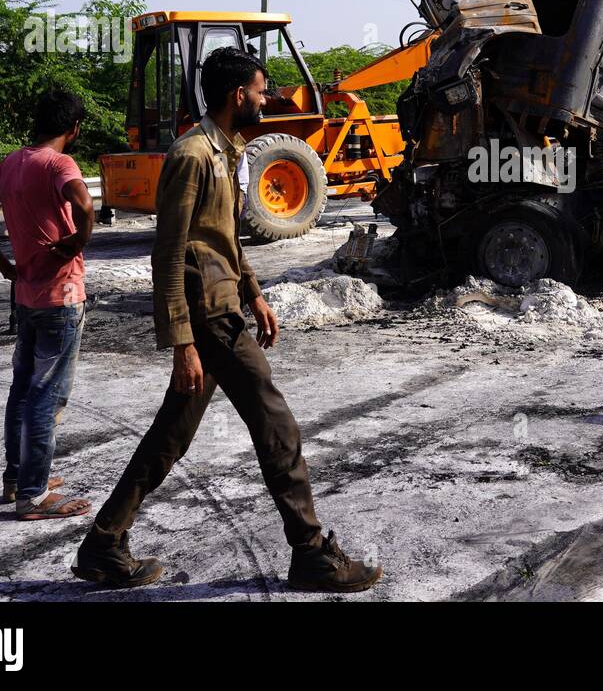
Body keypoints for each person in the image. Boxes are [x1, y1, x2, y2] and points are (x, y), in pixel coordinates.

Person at [72, 48, 382, 592]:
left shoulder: (228, 151)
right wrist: (181, 342)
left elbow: (223, 239)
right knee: (276, 425)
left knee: (171, 434)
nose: (267, 99)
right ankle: (310, 553)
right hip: (208, 317)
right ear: (239, 95)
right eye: (262, 91)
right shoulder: (193, 154)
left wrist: (255, 293)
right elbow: (169, 253)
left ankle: (102, 544)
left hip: (225, 306)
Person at [0, 87, 95, 518]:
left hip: (27, 296)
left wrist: (4, 265)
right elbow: (85, 204)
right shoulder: (59, 163)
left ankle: (17, 478)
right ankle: (33, 495)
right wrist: (76, 241)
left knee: (22, 389)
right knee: (45, 394)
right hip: (61, 297)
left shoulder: (12, 163)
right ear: (73, 129)